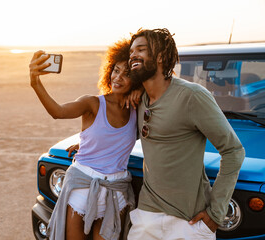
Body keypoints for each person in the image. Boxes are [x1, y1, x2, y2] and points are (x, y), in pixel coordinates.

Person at [126, 28, 245, 240]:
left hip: (188, 223)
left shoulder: (192, 96)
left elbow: (233, 151)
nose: (133, 55)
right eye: (131, 52)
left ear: (161, 56)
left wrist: (215, 214)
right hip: (146, 217)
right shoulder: (139, 100)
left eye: (141, 50)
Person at [29, 39, 137, 240]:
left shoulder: (136, 110)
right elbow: (58, 112)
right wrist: (36, 83)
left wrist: (90, 142)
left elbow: (118, 138)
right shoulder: (93, 103)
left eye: (127, 73)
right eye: (116, 70)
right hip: (83, 187)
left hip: (116, 190)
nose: (118, 77)